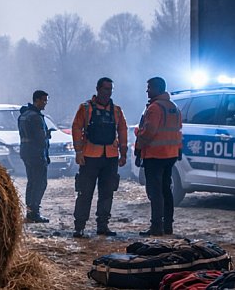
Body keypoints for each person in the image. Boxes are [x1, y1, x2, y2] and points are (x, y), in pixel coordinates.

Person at [71, 77, 128, 238]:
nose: (108, 93)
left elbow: (122, 131)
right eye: (105, 89)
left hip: (110, 157)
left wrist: (123, 153)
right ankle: (79, 226)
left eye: (110, 90)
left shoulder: (116, 110)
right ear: (98, 89)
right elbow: (76, 127)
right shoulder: (85, 108)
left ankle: (103, 225)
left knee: (107, 193)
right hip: (89, 157)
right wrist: (78, 152)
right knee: (85, 192)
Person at [135, 77, 182, 236]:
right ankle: (168, 225)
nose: (147, 90)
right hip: (170, 155)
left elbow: (149, 132)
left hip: (155, 155)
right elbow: (178, 131)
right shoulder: (173, 107)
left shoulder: (155, 108)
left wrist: (138, 140)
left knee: (155, 192)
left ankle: (156, 227)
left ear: (156, 88)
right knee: (166, 190)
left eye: (149, 87)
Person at [18, 90, 52, 223]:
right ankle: (35, 212)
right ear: (36, 100)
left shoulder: (24, 115)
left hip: (26, 152)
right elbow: (40, 139)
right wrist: (47, 135)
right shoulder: (36, 117)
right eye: (43, 101)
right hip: (36, 153)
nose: (45, 104)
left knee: (31, 182)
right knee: (40, 183)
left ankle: (30, 211)